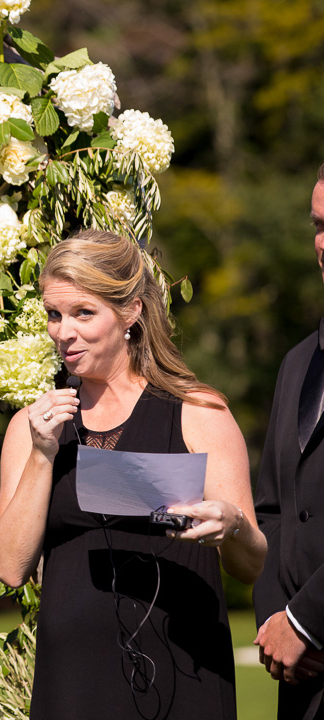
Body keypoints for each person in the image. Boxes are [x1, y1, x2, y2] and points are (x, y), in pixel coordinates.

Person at [0, 229, 266, 719]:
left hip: (184, 674)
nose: (63, 332)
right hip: (72, 684)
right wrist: (40, 453)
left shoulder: (198, 411)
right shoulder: (33, 425)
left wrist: (234, 524)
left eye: (82, 313)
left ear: (131, 312)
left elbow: (251, 565)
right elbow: (11, 568)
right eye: (54, 314)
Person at [254, 163, 324, 718]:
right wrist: (275, 619)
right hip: (298, 677)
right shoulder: (297, 362)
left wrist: (307, 621)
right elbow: (273, 509)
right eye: (319, 226)